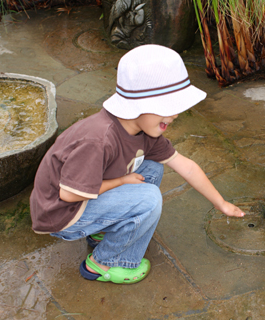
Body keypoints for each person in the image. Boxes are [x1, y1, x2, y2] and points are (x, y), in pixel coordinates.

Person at [30, 44, 245, 284]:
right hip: (62, 215)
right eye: (167, 108)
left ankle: (106, 230)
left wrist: (222, 204)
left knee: (152, 168)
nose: (174, 116)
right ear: (139, 104)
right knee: (149, 198)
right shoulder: (98, 139)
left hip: (82, 200)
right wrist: (121, 181)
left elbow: (186, 166)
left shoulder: (143, 131)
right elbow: (69, 194)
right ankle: (104, 262)